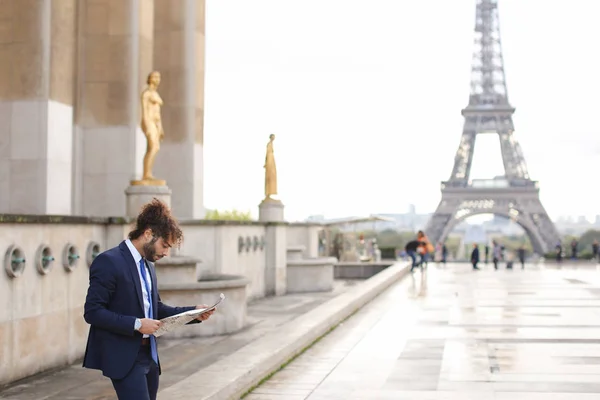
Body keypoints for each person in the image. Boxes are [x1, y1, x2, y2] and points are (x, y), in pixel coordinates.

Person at [83, 199, 215, 400]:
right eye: (164, 245)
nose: (166, 253)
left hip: (150, 356)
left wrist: (194, 313)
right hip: (124, 357)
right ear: (148, 234)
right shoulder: (109, 261)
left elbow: (156, 310)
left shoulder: (148, 266)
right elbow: (93, 312)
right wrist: (137, 324)